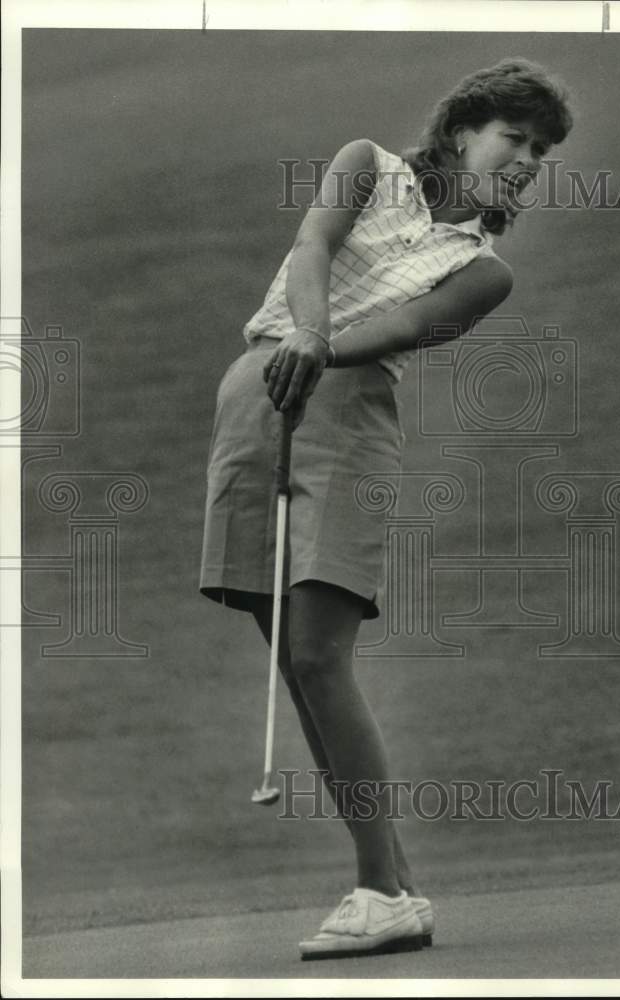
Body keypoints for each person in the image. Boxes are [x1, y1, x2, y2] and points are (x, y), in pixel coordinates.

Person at [199, 56, 573, 960]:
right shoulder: (366, 163)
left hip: (345, 416)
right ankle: (396, 889)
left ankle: (377, 885)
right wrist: (307, 338)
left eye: (543, 151)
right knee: (293, 662)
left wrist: (319, 353)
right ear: (461, 130)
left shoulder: (483, 271)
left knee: (321, 655)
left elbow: (403, 329)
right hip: (253, 399)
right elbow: (311, 252)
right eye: (516, 138)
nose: (528, 160)